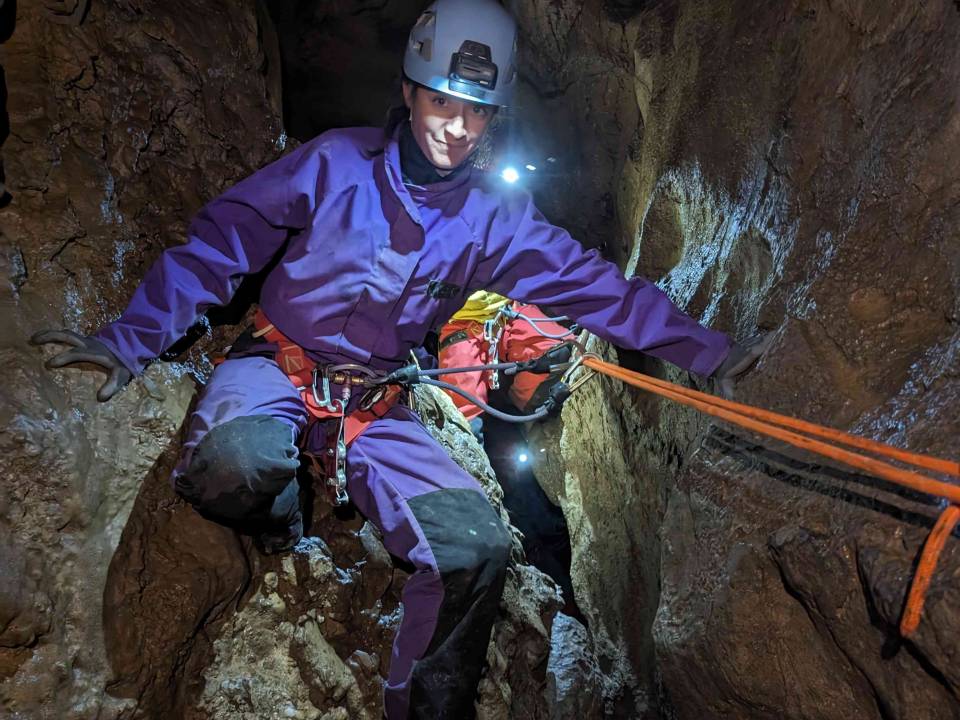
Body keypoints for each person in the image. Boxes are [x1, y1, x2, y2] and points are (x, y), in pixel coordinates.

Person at [31, 0, 768, 716]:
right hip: (277, 364)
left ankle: (420, 707)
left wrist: (711, 354)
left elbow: (602, 292)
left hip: (376, 403)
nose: (457, 126)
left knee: (475, 548)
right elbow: (221, 244)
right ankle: (294, 513)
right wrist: (125, 341)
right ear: (410, 91)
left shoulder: (496, 221)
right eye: (444, 100)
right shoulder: (333, 163)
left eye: (477, 111)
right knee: (236, 465)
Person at [436, 290, 572, 433]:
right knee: (463, 416)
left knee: (557, 354)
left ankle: (527, 423)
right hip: (458, 323)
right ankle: (479, 446)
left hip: (506, 308)